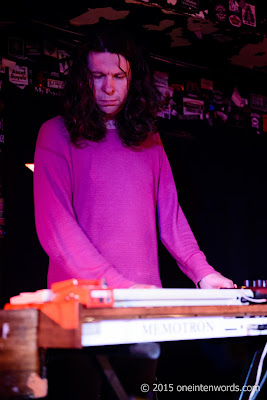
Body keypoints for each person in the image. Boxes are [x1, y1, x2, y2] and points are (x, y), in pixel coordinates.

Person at [33, 24, 235, 400]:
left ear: (132, 79)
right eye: (97, 76)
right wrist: (118, 285)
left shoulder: (149, 140)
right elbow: (55, 229)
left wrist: (204, 274)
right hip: (78, 314)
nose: (108, 87)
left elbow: (171, 219)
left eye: (118, 76)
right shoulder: (55, 134)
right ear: (82, 79)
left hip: (143, 311)